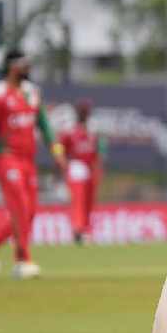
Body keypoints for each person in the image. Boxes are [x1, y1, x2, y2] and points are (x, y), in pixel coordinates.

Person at [0, 48, 65, 279]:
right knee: (19, 206)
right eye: (23, 64)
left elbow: (44, 125)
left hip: (28, 160)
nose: (28, 68)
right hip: (6, 157)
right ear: (11, 66)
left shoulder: (32, 92)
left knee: (31, 212)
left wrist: (56, 150)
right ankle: (22, 261)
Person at [58, 99, 104, 245]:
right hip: (76, 166)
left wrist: (97, 168)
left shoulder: (92, 130)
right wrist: (62, 161)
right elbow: (60, 146)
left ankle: (86, 230)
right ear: (78, 113)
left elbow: (98, 150)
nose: (85, 114)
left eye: (86, 111)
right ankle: (77, 229)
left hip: (90, 167)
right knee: (78, 199)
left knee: (89, 201)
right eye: (82, 111)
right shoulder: (70, 129)